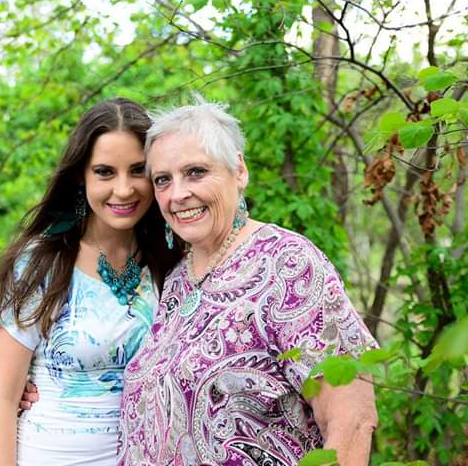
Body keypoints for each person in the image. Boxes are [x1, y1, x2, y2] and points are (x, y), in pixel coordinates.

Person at [115, 98, 379, 466]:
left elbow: (351, 417)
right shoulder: (175, 280)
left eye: (195, 172)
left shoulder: (287, 264)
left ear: (239, 170)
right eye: (163, 179)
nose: (177, 194)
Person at [0, 98, 183, 466]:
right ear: (81, 176)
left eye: (137, 170)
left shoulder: (173, 259)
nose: (123, 190)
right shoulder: (40, 263)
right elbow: (1, 400)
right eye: (105, 172)